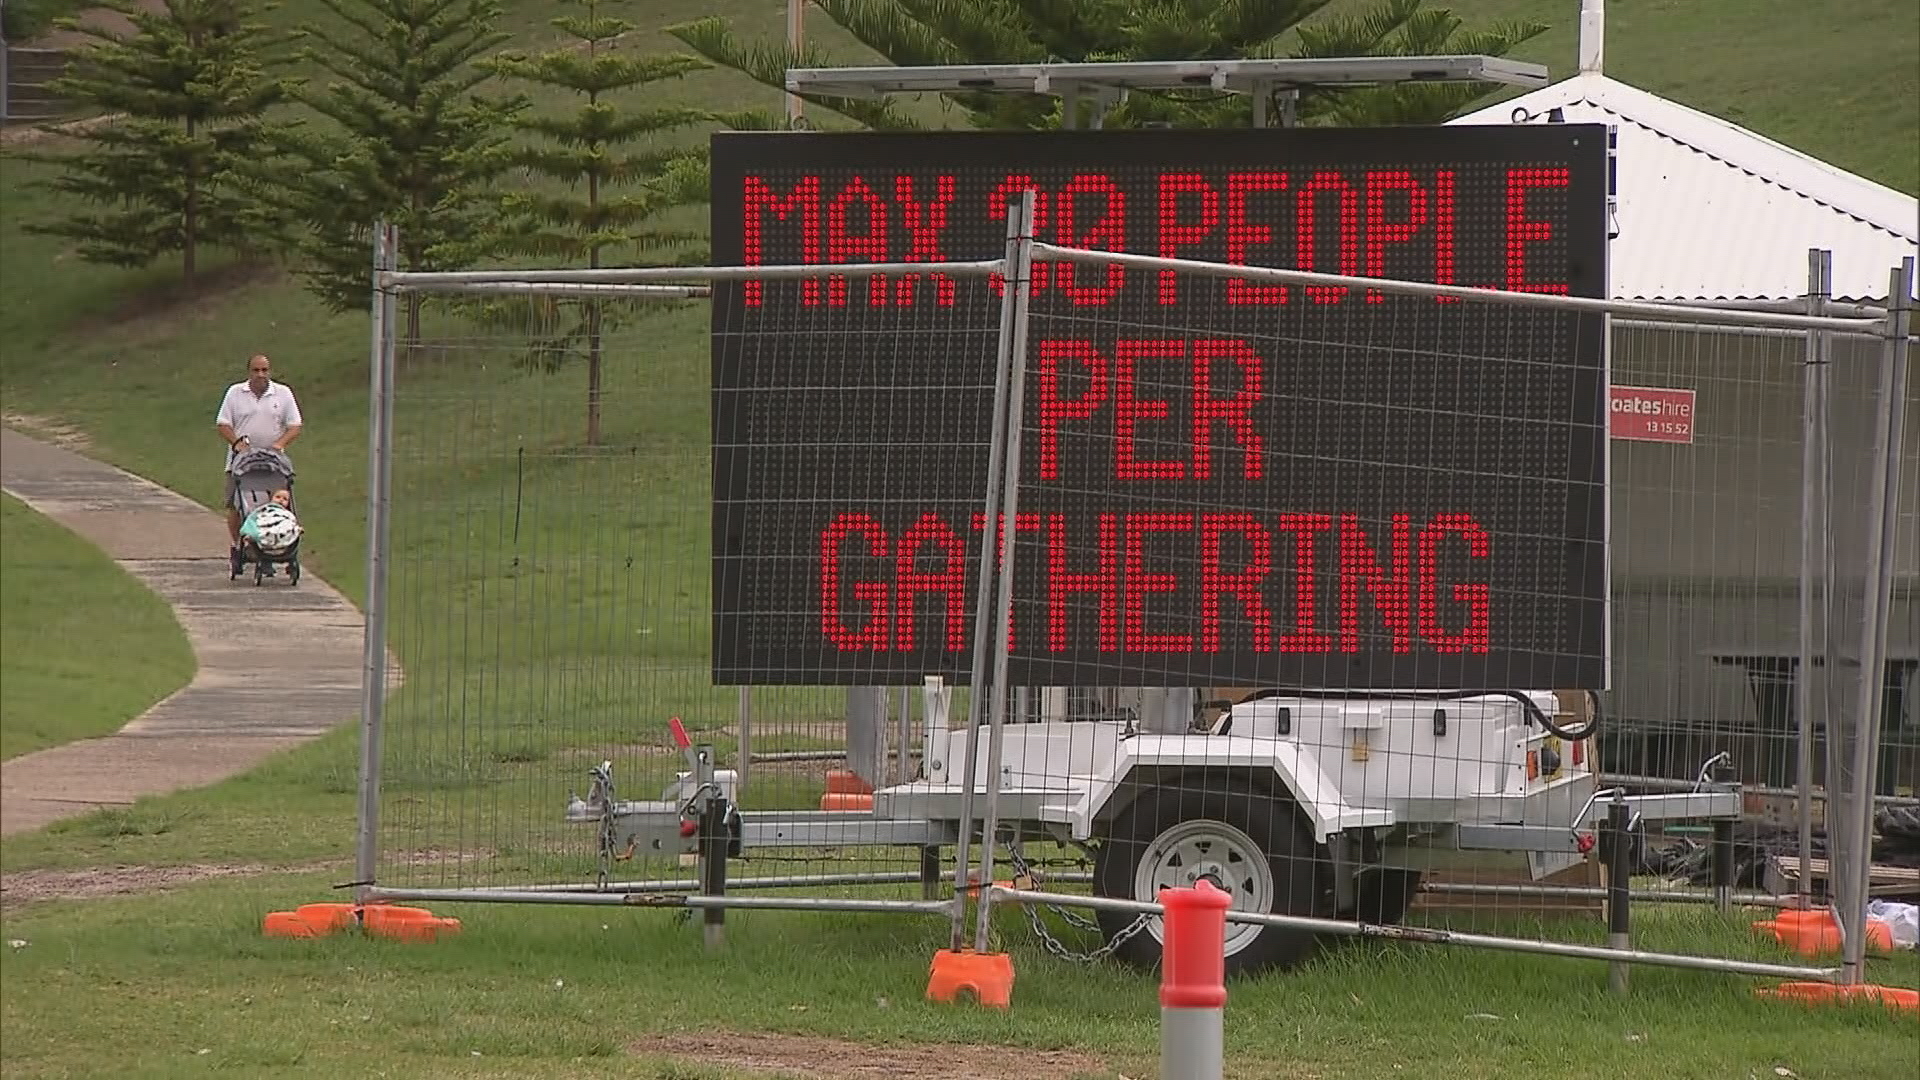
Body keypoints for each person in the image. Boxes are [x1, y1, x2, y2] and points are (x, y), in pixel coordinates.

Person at [215, 353, 303, 556]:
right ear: (249, 372)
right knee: (236, 505)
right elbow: (223, 423)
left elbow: (295, 425)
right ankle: (239, 544)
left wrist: (279, 444)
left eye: (264, 370)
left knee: (276, 504)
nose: (260, 375)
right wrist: (237, 444)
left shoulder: (282, 393)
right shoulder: (235, 393)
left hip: (273, 463)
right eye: (256, 370)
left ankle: (274, 544)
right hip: (240, 461)